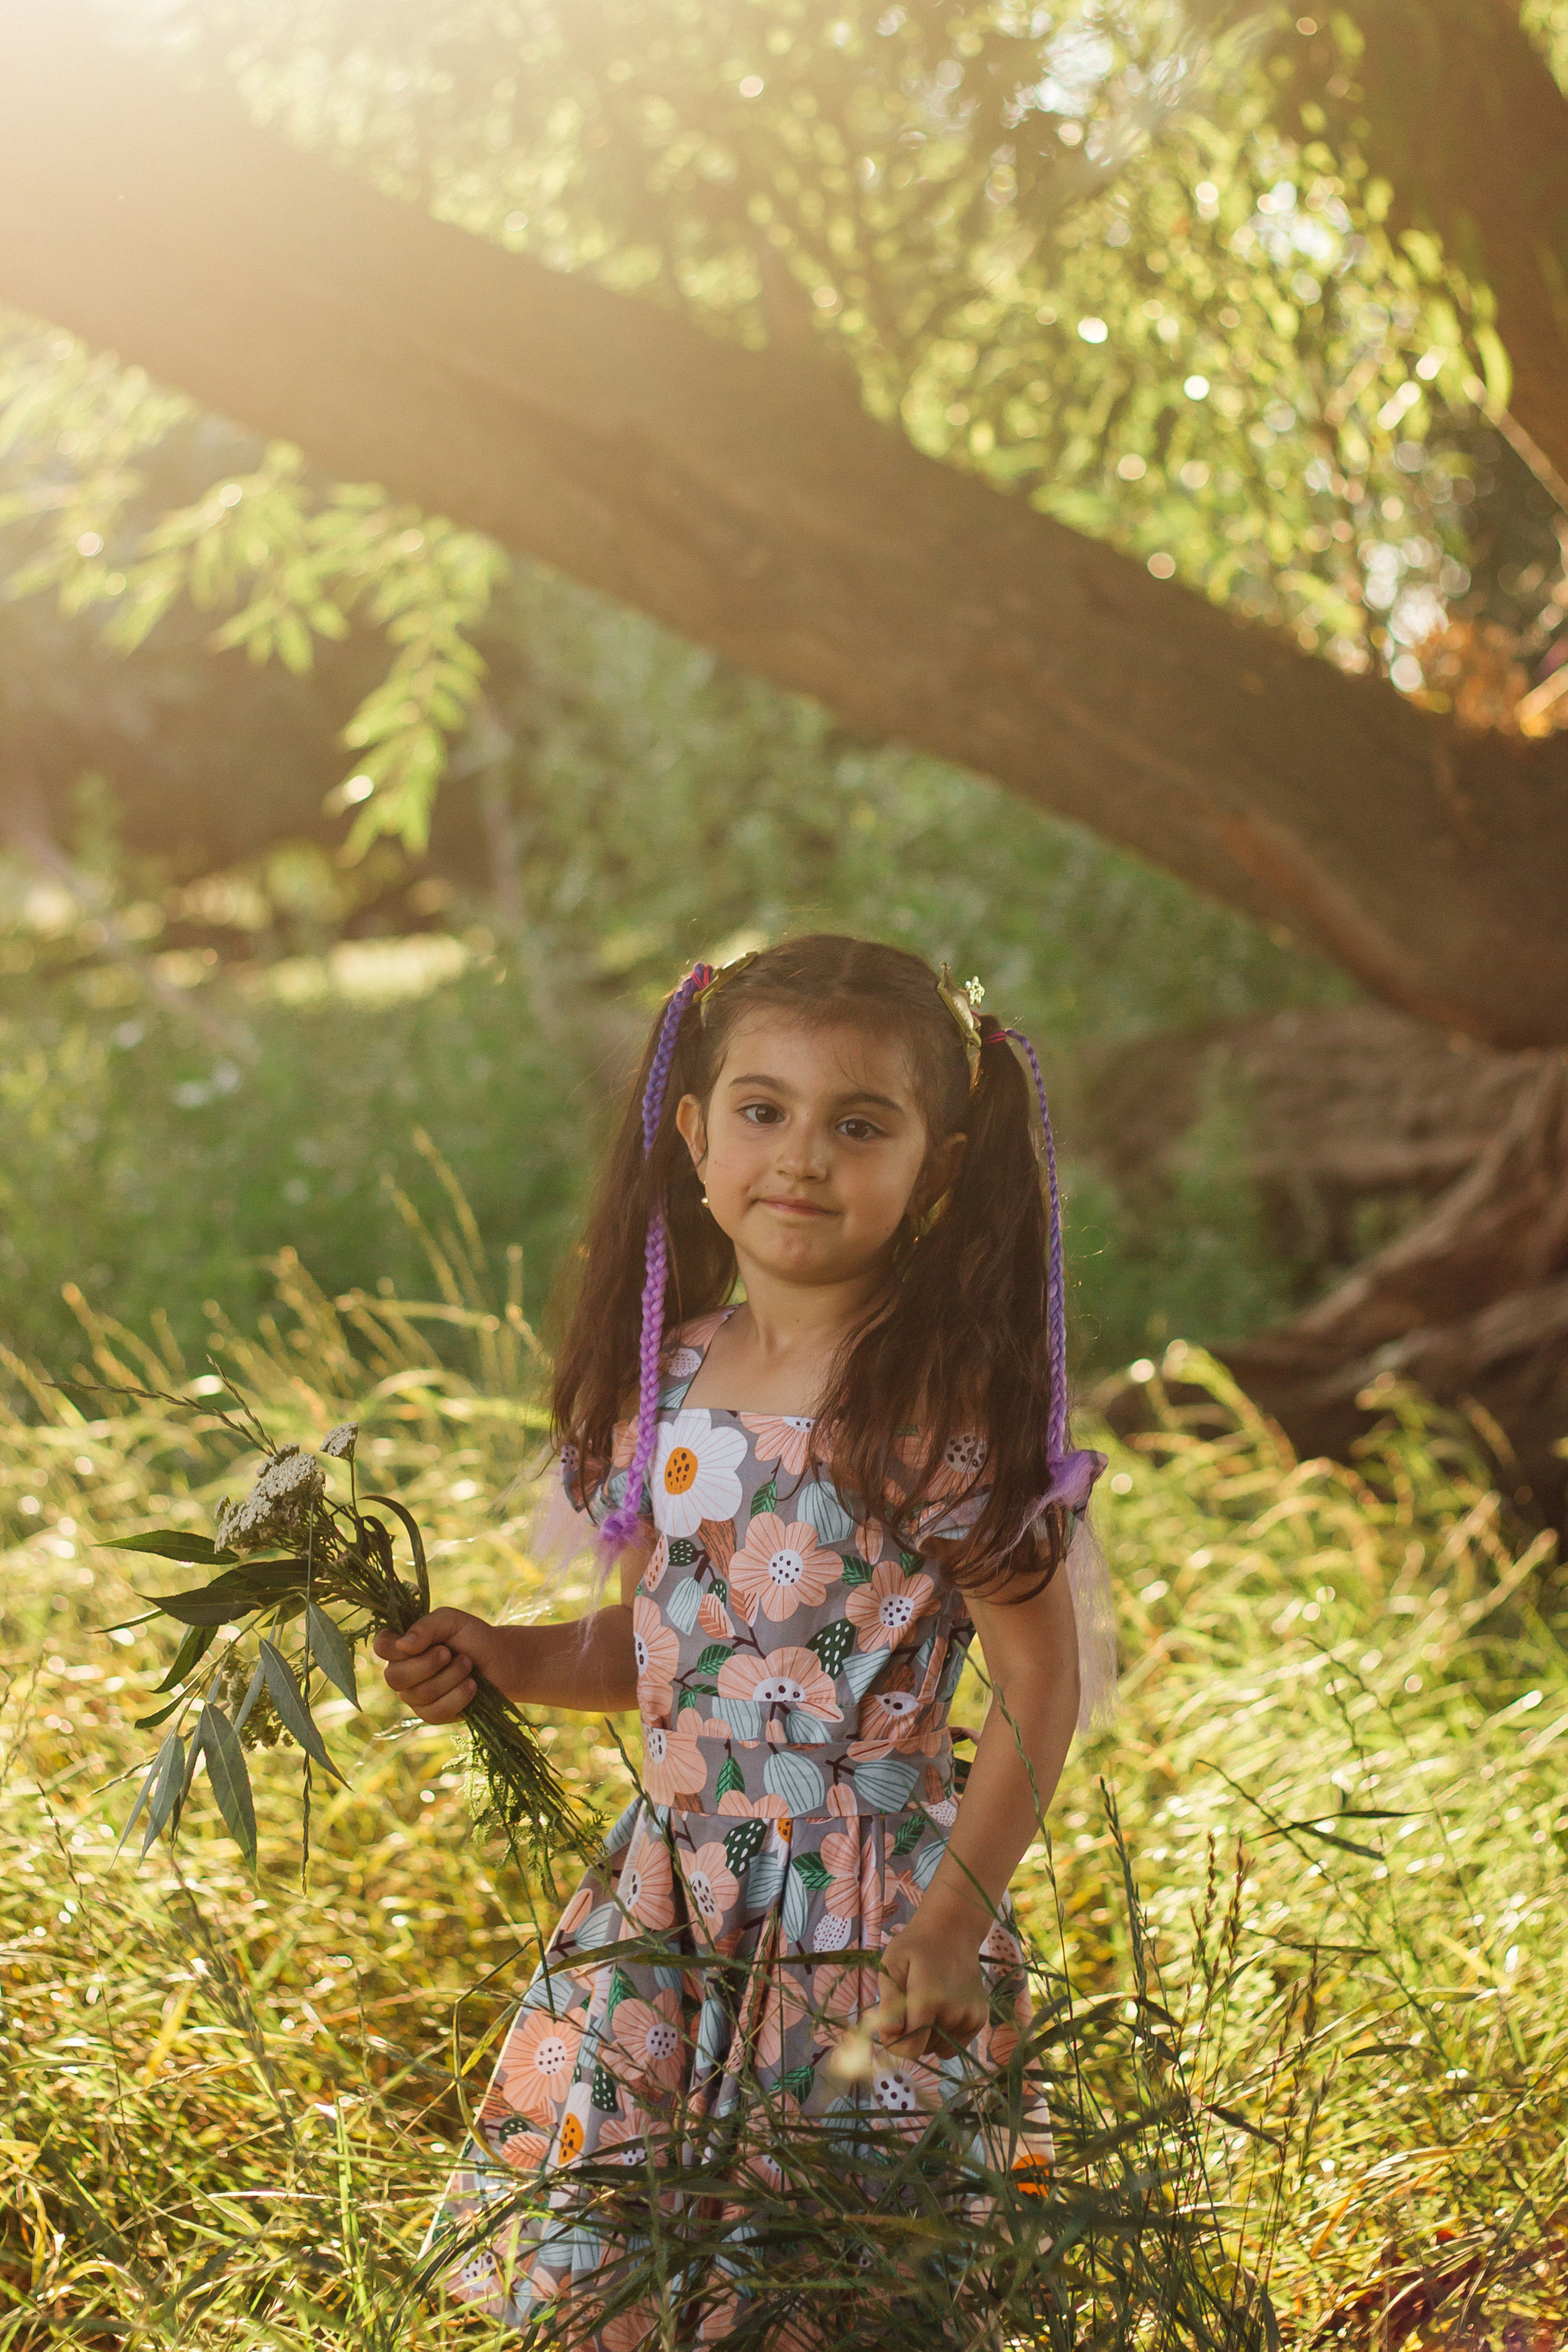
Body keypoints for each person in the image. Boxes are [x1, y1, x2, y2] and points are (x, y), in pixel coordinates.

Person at [375, 934, 1114, 2345]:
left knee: (830, 2280)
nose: (802, 1159)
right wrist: (505, 1658)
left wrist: (950, 1921)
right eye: (763, 1112)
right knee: (634, 2281)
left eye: (858, 1124)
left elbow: (1036, 1675)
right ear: (696, 1135)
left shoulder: (938, 1405)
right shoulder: (669, 1378)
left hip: (860, 1910)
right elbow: (671, 1651)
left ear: (938, 1169)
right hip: (676, 1898)